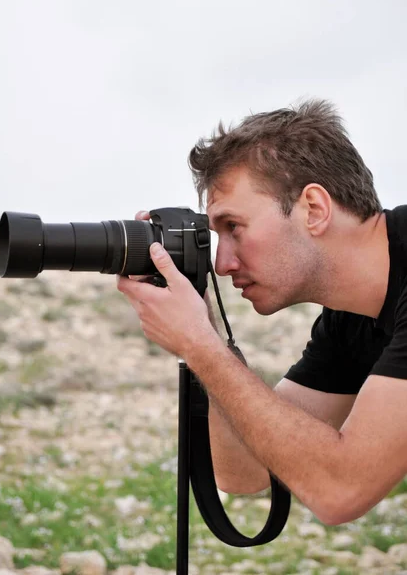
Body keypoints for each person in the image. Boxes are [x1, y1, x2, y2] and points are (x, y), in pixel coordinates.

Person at [116, 99, 407, 526]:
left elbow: (341, 491)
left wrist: (200, 346)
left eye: (234, 227)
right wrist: (203, 326)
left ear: (314, 209)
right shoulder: (350, 319)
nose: (222, 263)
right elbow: (247, 470)